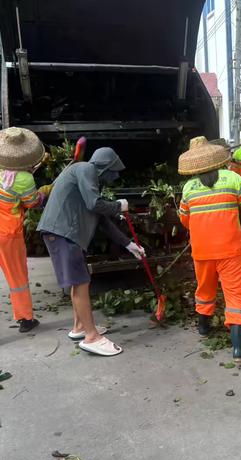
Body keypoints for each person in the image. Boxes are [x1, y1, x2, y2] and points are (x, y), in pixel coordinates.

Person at [37, 147, 145, 356]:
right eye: (114, 172)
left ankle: (80, 327)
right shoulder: (86, 169)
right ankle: (91, 337)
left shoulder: (87, 178)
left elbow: (101, 219)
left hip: (63, 234)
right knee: (81, 282)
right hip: (63, 233)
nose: (115, 177)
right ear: (106, 166)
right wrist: (117, 205)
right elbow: (95, 204)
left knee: (78, 281)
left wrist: (128, 244)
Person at [178, 136, 241, 365]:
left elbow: (185, 220)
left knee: (204, 288)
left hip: (202, 251)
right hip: (230, 250)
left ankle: (204, 327)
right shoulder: (233, 178)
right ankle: (240, 349)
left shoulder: (188, 188)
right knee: (235, 295)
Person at [0, 127, 53, 333]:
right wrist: (44, 191)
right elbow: (32, 202)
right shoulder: (24, 179)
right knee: (17, 278)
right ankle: (25, 319)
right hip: (7, 234)